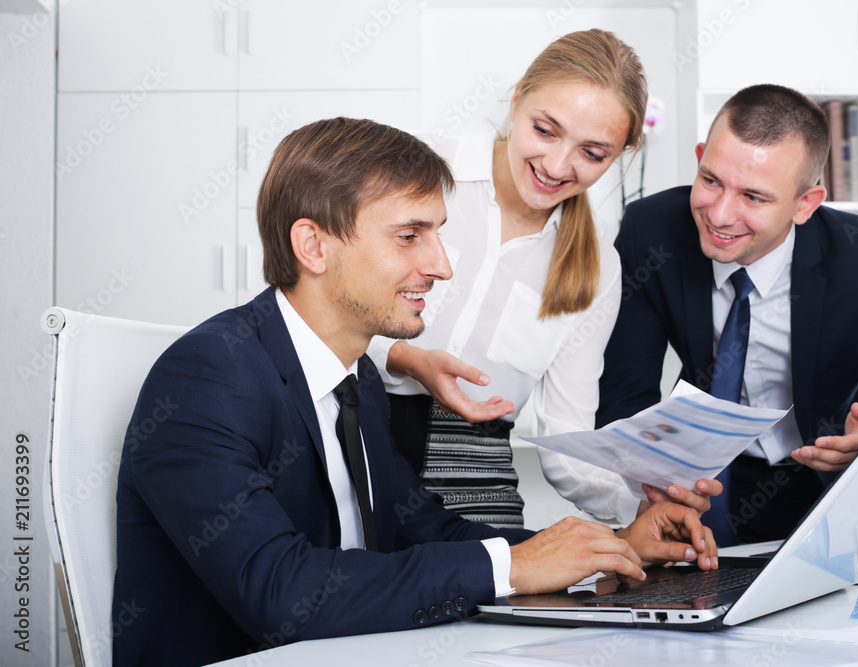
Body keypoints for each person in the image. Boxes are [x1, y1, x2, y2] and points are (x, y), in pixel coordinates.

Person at [112, 117, 716, 667]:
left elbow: (425, 531)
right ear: (313, 246)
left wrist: (609, 548)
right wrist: (512, 566)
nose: (442, 265)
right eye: (410, 236)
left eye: (439, 234)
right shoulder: (208, 377)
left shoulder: (358, 379)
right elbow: (281, 593)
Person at [368, 29, 716, 530]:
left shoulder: (597, 268)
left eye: (592, 154)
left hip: (477, 485)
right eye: (545, 130)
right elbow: (311, 314)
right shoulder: (412, 170)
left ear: (618, 156)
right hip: (354, 443)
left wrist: (642, 508)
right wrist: (403, 358)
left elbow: (565, 436)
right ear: (517, 100)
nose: (556, 166)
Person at [597, 84, 858, 546]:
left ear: (806, 204)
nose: (719, 215)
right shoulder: (651, 229)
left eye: (754, 198)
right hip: (703, 481)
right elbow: (625, 392)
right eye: (711, 180)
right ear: (701, 157)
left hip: (831, 483)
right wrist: (653, 482)